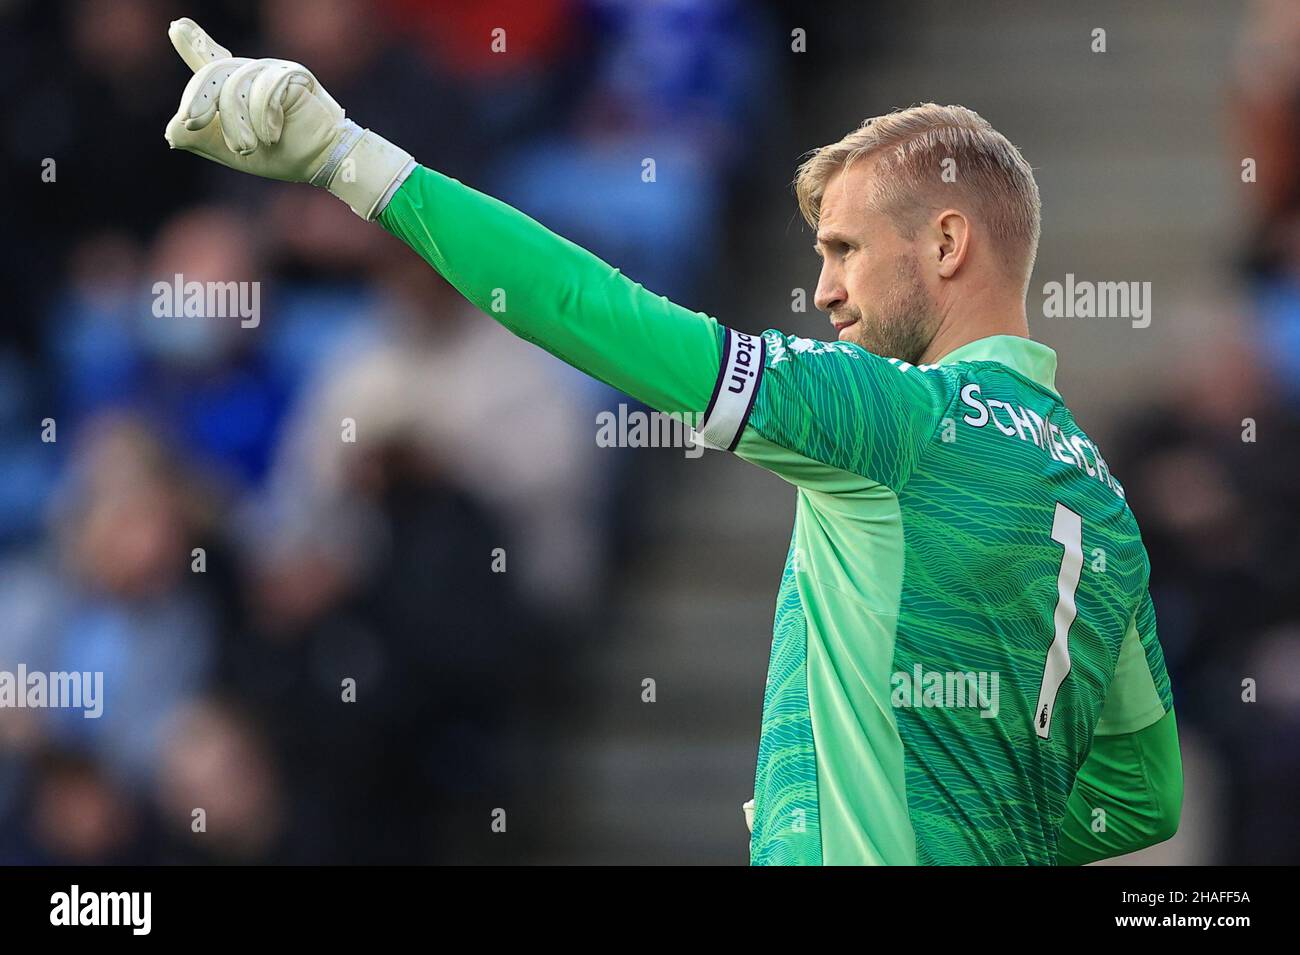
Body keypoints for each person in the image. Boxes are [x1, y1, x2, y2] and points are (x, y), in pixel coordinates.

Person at [160, 18, 1182, 865]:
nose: (824, 291)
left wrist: (347, 159)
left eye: (844, 252)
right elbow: (1142, 798)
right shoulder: (1101, 502)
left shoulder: (885, 416)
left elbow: (589, 308)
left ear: (948, 245)